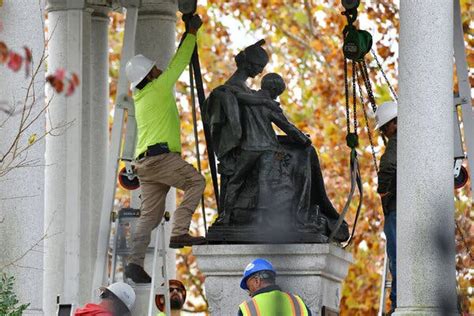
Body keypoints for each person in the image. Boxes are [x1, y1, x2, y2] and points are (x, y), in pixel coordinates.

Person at [124, 14, 206, 284]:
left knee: (150, 216)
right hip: (161, 159)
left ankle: (134, 263)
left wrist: (187, 34)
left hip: (145, 165)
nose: (159, 69)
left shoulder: (140, 96)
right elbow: (179, 63)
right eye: (154, 68)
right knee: (196, 181)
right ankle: (179, 232)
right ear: (149, 75)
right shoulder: (158, 88)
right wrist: (192, 32)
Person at [223, 73, 311, 223]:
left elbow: (232, 95)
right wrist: (304, 140)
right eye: (278, 93)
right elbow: (287, 127)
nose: (277, 97)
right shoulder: (269, 105)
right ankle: (262, 217)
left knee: (235, 180)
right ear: (275, 90)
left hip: (248, 148)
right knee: (265, 181)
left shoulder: (247, 98)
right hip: (269, 149)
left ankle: (225, 216)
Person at [375, 101, 398, 314]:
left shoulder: (397, 142)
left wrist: (383, 189)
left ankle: (398, 303)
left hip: (397, 210)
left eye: (384, 127)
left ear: (395, 123)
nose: (383, 132)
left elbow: (389, 166)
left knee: (397, 255)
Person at [238, 258, 311, 316]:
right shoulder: (297, 302)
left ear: (257, 281)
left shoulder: (248, 308)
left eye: (249, 287)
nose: (249, 294)